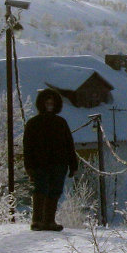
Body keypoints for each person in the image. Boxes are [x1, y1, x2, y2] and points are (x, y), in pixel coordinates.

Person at [23, 88, 78, 231]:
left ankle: (49, 221)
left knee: (55, 191)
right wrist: (29, 166)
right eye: (47, 102)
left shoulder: (61, 123)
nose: (49, 105)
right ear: (41, 104)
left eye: (52, 103)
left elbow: (69, 145)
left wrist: (73, 165)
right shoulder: (33, 123)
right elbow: (27, 147)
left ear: (56, 104)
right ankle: (37, 221)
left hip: (59, 163)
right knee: (40, 189)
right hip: (39, 164)